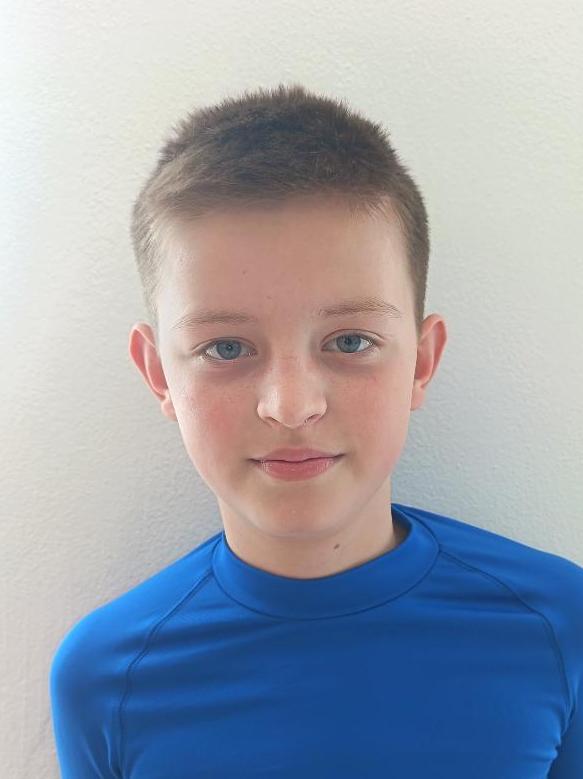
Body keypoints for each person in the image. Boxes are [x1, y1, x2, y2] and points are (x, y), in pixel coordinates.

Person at [49, 83, 583, 777]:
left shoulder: (559, 628)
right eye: (226, 348)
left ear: (421, 362)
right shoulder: (106, 678)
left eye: (351, 341)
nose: (291, 405)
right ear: (159, 376)